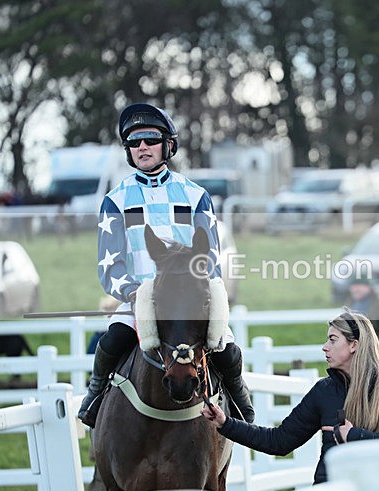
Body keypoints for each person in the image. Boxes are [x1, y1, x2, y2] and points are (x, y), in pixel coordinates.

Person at [78, 103, 254, 428]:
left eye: (150, 139)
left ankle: (242, 402)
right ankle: (95, 397)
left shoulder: (196, 195)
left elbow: (210, 256)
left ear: (168, 145)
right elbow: (110, 266)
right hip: (141, 298)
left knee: (226, 349)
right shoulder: (114, 200)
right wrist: (134, 293)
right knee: (111, 341)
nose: (142, 146)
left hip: (189, 296)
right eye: (133, 142)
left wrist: (197, 287)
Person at [202, 311, 379, 484]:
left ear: (354, 345)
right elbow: (278, 441)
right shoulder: (323, 391)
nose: (325, 347)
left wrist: (354, 435)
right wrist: (225, 423)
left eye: (333, 340)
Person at [343, 275, 379, 342]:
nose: (354, 289)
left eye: (358, 286)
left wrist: (373, 343)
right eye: (353, 286)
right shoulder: (350, 303)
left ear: (368, 287)